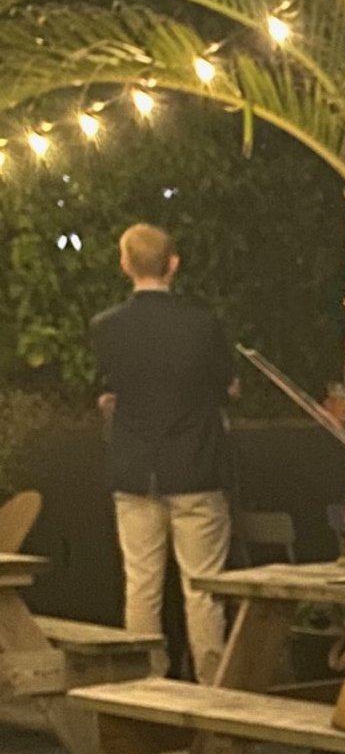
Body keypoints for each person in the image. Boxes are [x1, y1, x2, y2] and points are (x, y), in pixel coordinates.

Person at [91, 222, 237, 682]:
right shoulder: (202, 324)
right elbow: (226, 386)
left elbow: (109, 387)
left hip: (135, 469)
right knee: (203, 588)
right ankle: (211, 687)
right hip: (194, 466)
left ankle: (145, 684)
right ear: (173, 264)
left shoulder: (106, 328)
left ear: (124, 264)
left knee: (142, 585)